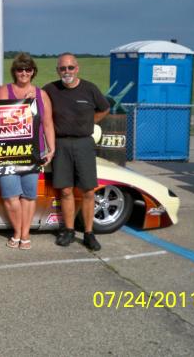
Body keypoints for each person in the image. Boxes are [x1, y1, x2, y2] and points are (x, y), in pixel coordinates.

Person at [43, 52, 110, 251]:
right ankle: (69, 230)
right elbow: (37, 102)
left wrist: (89, 122)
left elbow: (104, 108)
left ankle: (89, 233)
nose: (67, 71)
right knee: (65, 190)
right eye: (63, 68)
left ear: (77, 68)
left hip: (84, 144)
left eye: (70, 67)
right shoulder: (50, 89)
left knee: (88, 190)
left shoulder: (90, 89)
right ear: (58, 70)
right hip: (60, 144)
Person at [0, 53, 55, 250]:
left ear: (33, 72)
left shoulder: (41, 94)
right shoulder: (5, 91)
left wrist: (51, 148)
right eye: (20, 69)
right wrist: (24, 105)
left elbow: (47, 124)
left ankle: (25, 234)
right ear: (14, 72)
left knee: (29, 196)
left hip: (33, 152)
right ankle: (18, 232)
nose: (24, 73)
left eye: (28, 69)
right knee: (10, 196)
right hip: (7, 153)